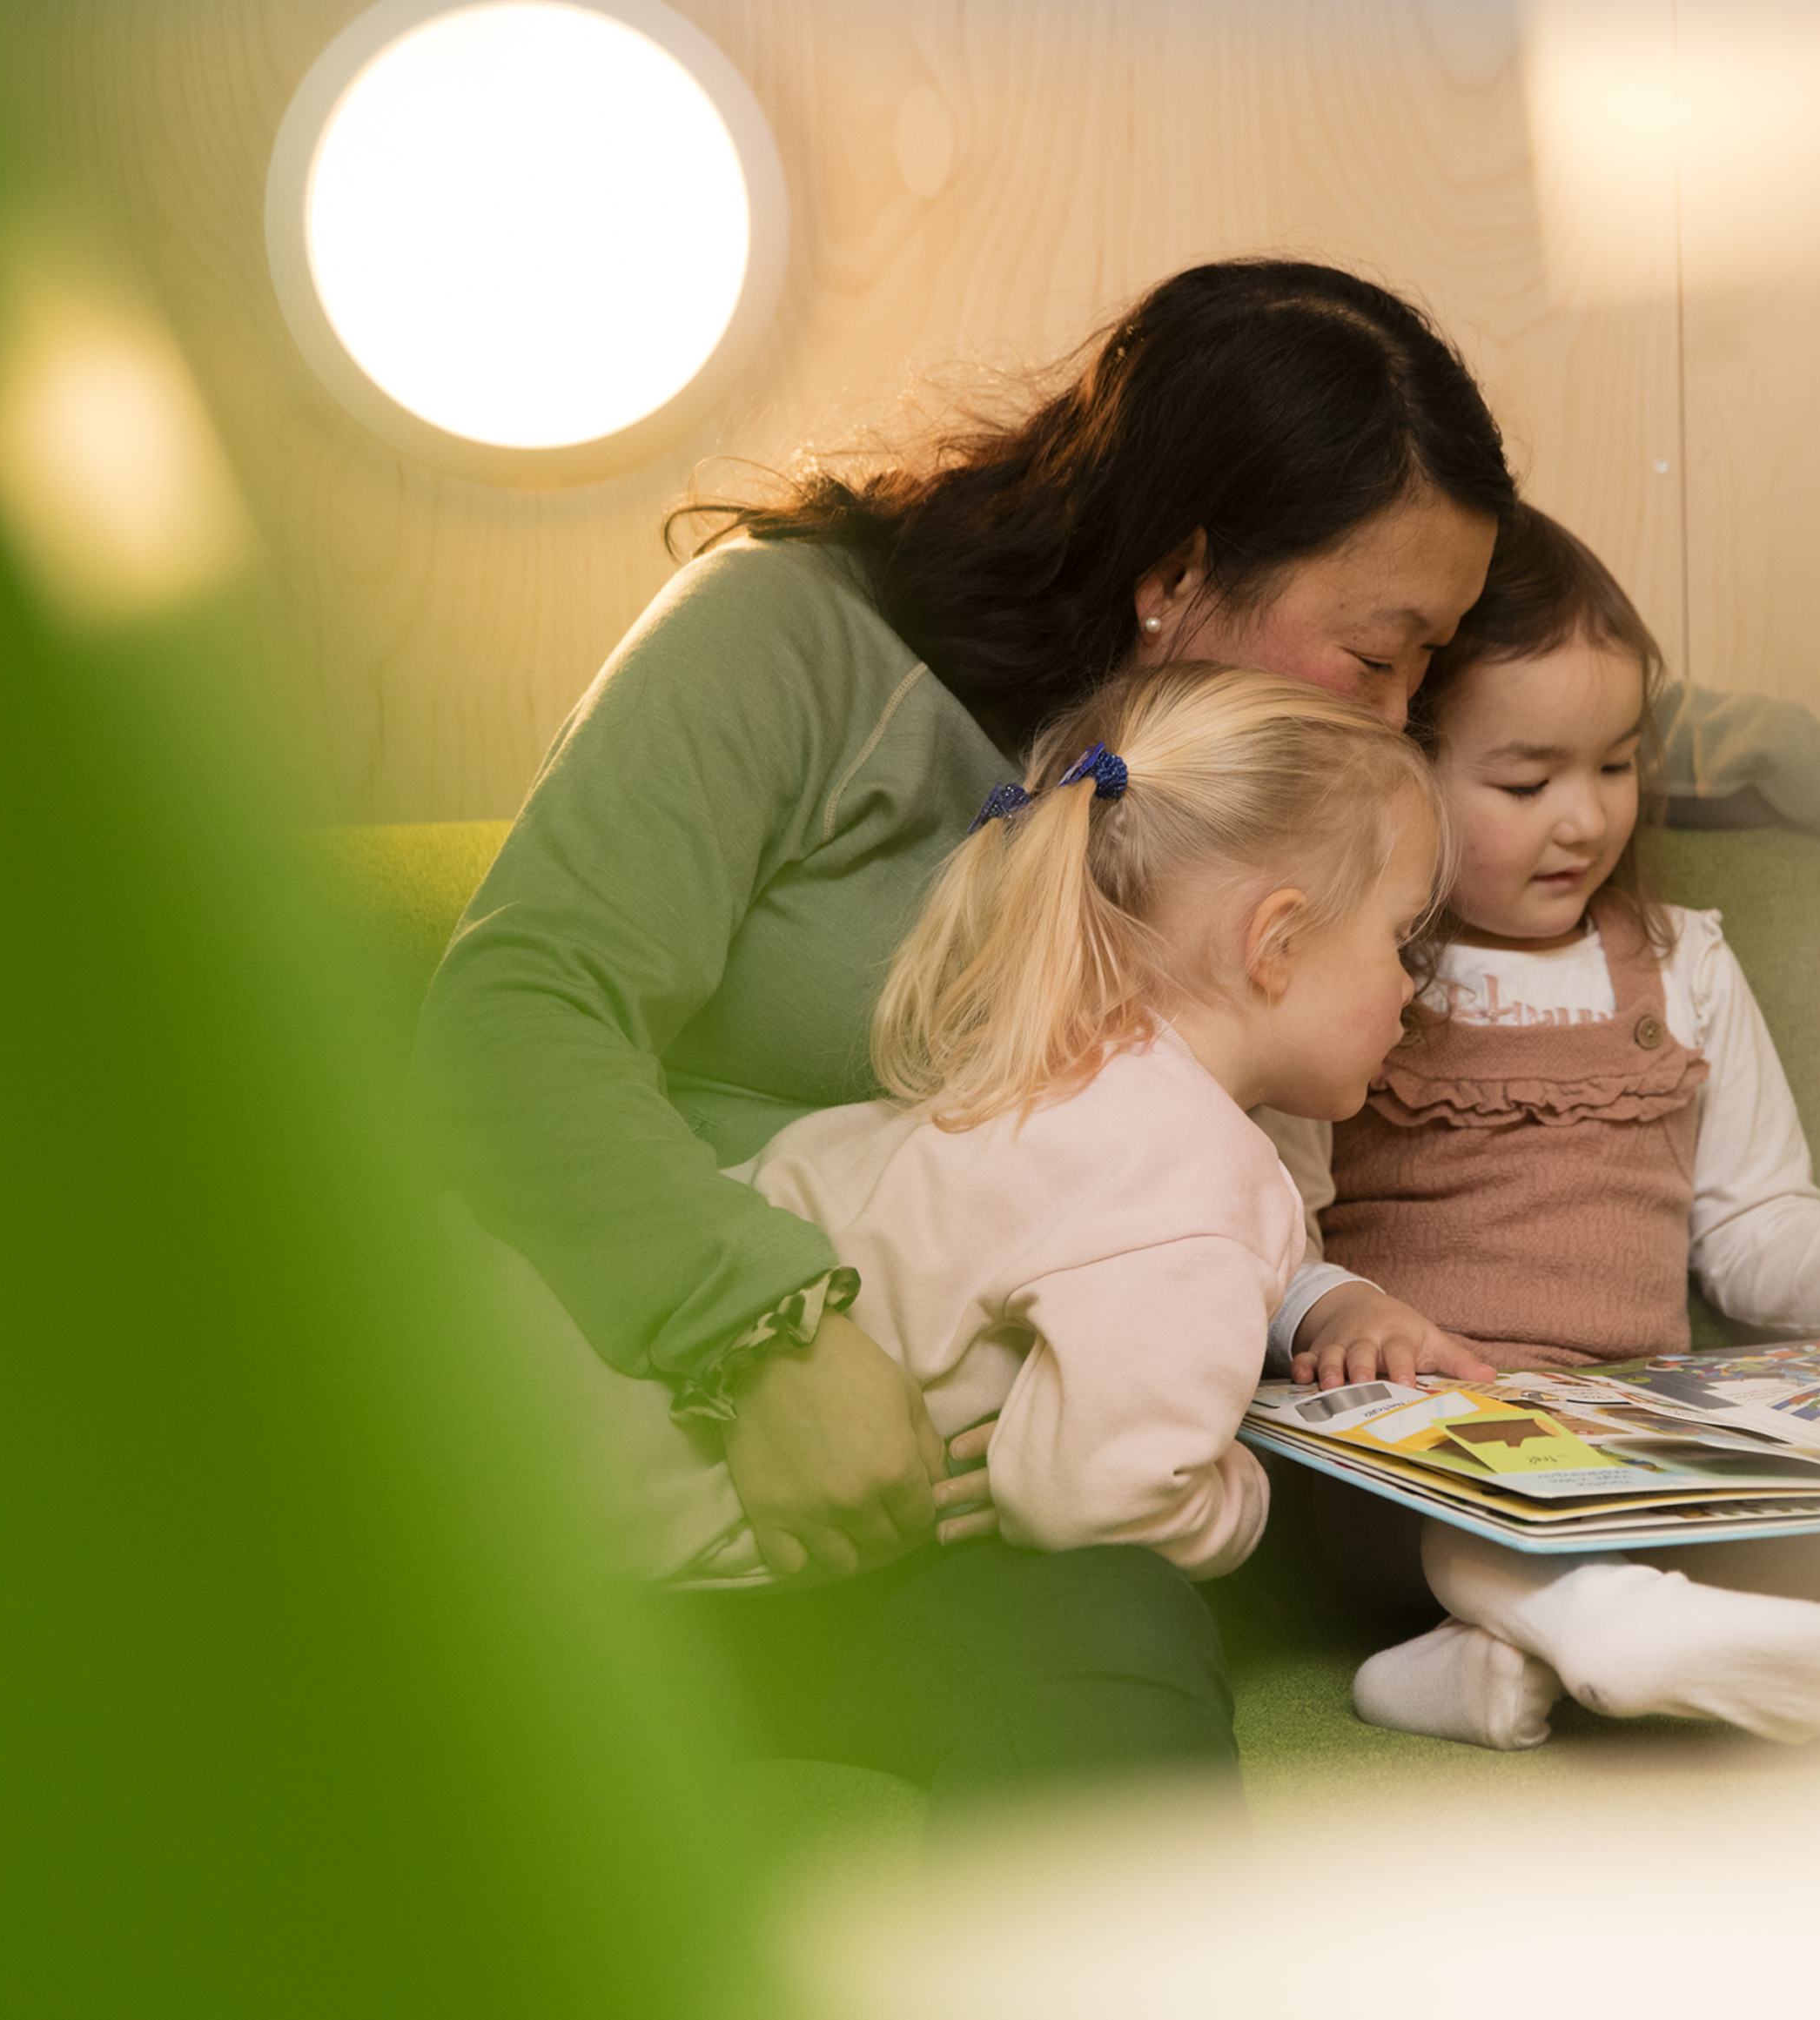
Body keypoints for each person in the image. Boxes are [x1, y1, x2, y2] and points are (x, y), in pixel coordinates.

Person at [413, 260, 1820, 1796]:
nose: (1402, 719)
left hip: (1010, 1500)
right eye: (1381, 657)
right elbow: (513, 1022)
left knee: (1126, 1654)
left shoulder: (1247, 762)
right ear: (1180, 571)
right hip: (671, 1427)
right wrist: (760, 1339)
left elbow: (1543, 719)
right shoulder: (785, 641)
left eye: (1427, 664)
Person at [487, 665, 1441, 1800]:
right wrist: (1242, 1492)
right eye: (1402, 943)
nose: (1413, 993)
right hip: (584, 1518)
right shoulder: (1194, 1178)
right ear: (1274, 943)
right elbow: (1092, 1493)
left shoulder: (1063, 1075)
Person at [1302, 507, 1820, 1751]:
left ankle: (1480, 1669)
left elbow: (1759, 1232)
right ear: (1400, 771)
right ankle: (1600, 1625)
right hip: (1414, 1458)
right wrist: (1333, 1309)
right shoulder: (1351, 973)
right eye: (1525, 781)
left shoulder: (1683, 962)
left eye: (1616, 764)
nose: (1584, 819)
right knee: (1484, 1505)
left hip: (1635, 1454)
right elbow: (1257, 1218)